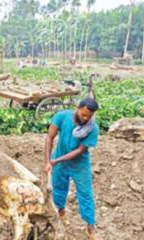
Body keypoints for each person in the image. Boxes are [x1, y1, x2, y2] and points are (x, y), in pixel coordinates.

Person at [44, 97, 102, 240]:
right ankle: (60, 212)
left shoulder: (92, 128)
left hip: (79, 164)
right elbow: (49, 137)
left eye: (89, 116)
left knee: (85, 193)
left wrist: (55, 160)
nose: (85, 118)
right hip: (60, 160)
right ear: (78, 108)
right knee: (58, 188)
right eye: (83, 114)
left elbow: (80, 151)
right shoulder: (62, 116)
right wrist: (47, 161)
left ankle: (90, 227)